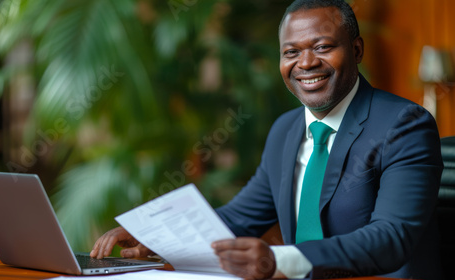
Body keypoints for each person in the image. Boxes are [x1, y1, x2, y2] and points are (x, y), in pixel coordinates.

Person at [90, 0, 444, 279]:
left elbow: (391, 236)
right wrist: (156, 238)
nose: (305, 63)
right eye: (291, 52)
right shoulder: (285, 130)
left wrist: (280, 260)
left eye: (322, 47)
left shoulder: (404, 126)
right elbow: (240, 219)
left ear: (356, 50)